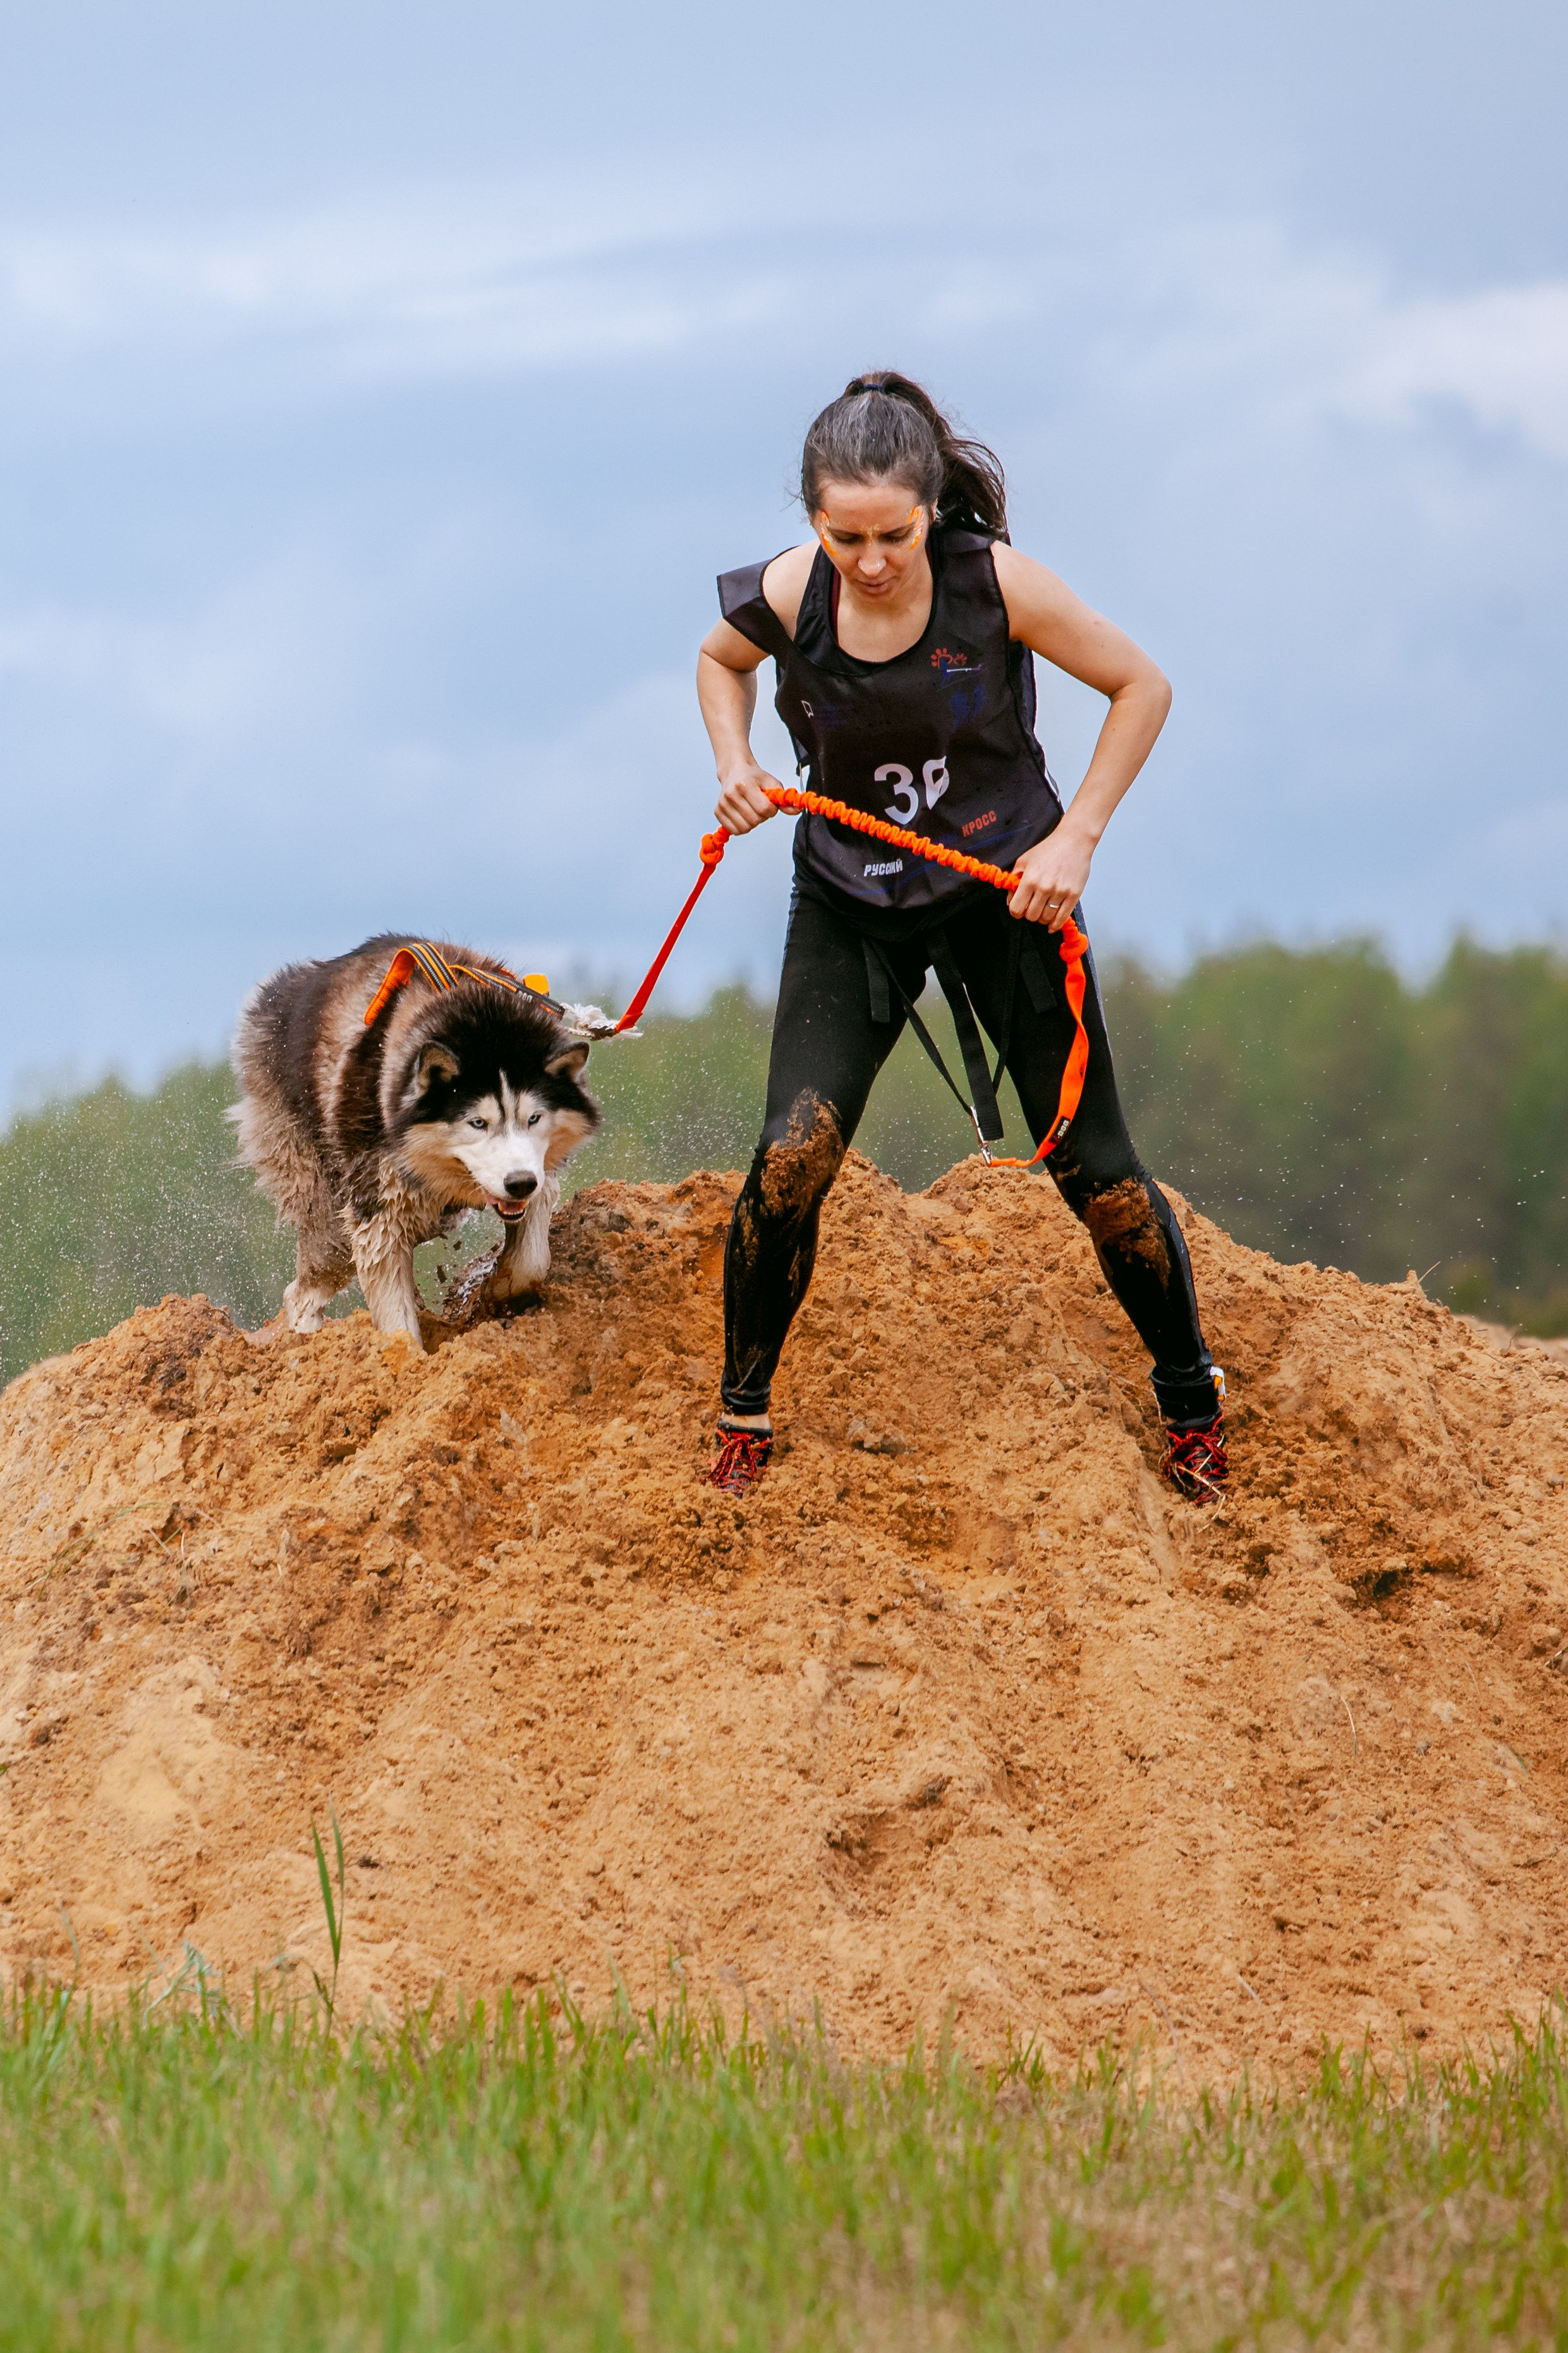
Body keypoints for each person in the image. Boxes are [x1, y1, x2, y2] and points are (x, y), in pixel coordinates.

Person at [695, 370, 1225, 1503]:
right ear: (812, 521)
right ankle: (742, 1418)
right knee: (791, 1157)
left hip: (1005, 894)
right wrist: (735, 763)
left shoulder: (998, 585)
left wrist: (1075, 839)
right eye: (844, 537)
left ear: (929, 509)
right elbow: (719, 661)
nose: (870, 561)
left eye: (893, 534)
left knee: (1098, 1174)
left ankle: (1191, 1407)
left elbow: (1141, 686)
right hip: (848, 899)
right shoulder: (790, 591)